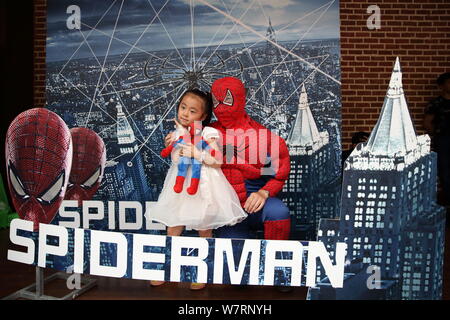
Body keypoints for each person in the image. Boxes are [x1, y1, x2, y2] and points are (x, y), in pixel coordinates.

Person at [150, 89, 247, 290]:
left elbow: (218, 161)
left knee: (204, 229)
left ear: (203, 116)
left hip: (205, 185)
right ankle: (168, 269)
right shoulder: (175, 134)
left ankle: (203, 272)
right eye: (183, 107)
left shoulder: (211, 133)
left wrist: (196, 152)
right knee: (173, 228)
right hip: (180, 186)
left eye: (192, 111)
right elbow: (176, 159)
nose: (185, 113)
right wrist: (178, 142)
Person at [423, 72, 450, 213]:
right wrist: (438, 134)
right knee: (444, 171)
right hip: (444, 140)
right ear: (442, 85)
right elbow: (427, 123)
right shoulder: (436, 103)